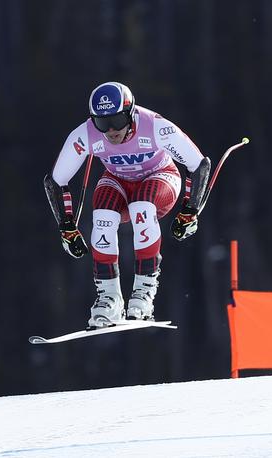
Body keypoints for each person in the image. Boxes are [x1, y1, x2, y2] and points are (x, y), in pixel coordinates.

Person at [44, 82, 210, 328]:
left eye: (118, 121)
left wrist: (190, 210)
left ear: (131, 113)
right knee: (102, 216)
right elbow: (56, 181)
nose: (111, 130)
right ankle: (108, 298)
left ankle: (143, 294)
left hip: (160, 176)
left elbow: (199, 165)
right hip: (118, 179)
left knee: (141, 207)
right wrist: (66, 226)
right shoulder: (85, 134)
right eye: (102, 123)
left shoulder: (155, 126)